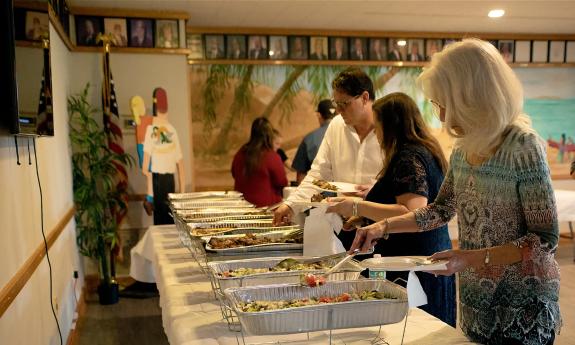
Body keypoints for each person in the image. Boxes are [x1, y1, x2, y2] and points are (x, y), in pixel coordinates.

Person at [349, 39, 561, 344]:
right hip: (477, 305)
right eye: (438, 105)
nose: (442, 116)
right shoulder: (463, 149)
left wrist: (470, 258)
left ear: (472, 97)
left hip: (521, 311)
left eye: (445, 104)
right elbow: (439, 209)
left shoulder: (522, 146)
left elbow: (545, 240)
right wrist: (382, 227)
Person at [326, 92, 455, 326]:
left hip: (412, 269)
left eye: (378, 125)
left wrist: (356, 205)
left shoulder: (409, 156)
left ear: (392, 125)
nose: (376, 132)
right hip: (424, 263)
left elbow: (412, 211)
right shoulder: (423, 150)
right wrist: (362, 217)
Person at [273, 68, 384, 250]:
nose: (338, 110)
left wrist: (377, 189)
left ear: (364, 98)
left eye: (344, 104)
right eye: (336, 103)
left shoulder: (388, 127)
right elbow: (318, 175)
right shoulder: (336, 126)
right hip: (345, 227)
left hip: (382, 227)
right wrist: (291, 205)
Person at [232, 117, 287, 207]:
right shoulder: (270, 155)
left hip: (241, 206)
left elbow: (234, 173)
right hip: (265, 209)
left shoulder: (241, 152)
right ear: (269, 135)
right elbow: (282, 181)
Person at [291, 99, 336, 184]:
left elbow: (301, 174)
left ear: (319, 115)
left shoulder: (309, 139)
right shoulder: (350, 135)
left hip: (319, 194)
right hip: (346, 194)